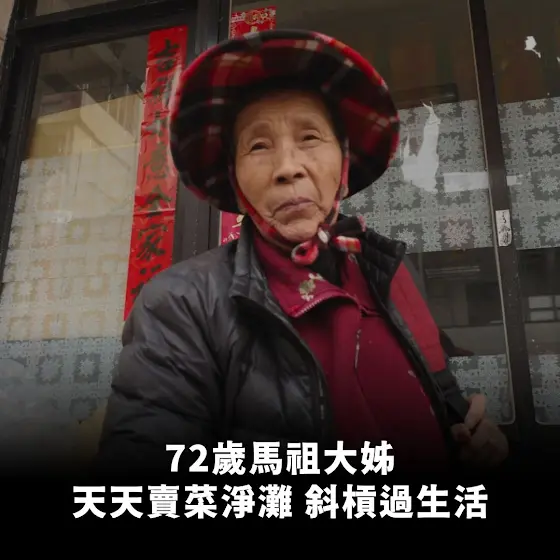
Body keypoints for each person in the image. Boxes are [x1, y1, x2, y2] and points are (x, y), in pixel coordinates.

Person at [95, 29, 508, 476]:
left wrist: (477, 441)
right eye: (258, 146)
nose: (288, 167)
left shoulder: (389, 270)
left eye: (309, 138)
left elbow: (443, 400)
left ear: (343, 164)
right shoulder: (182, 304)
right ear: (235, 178)